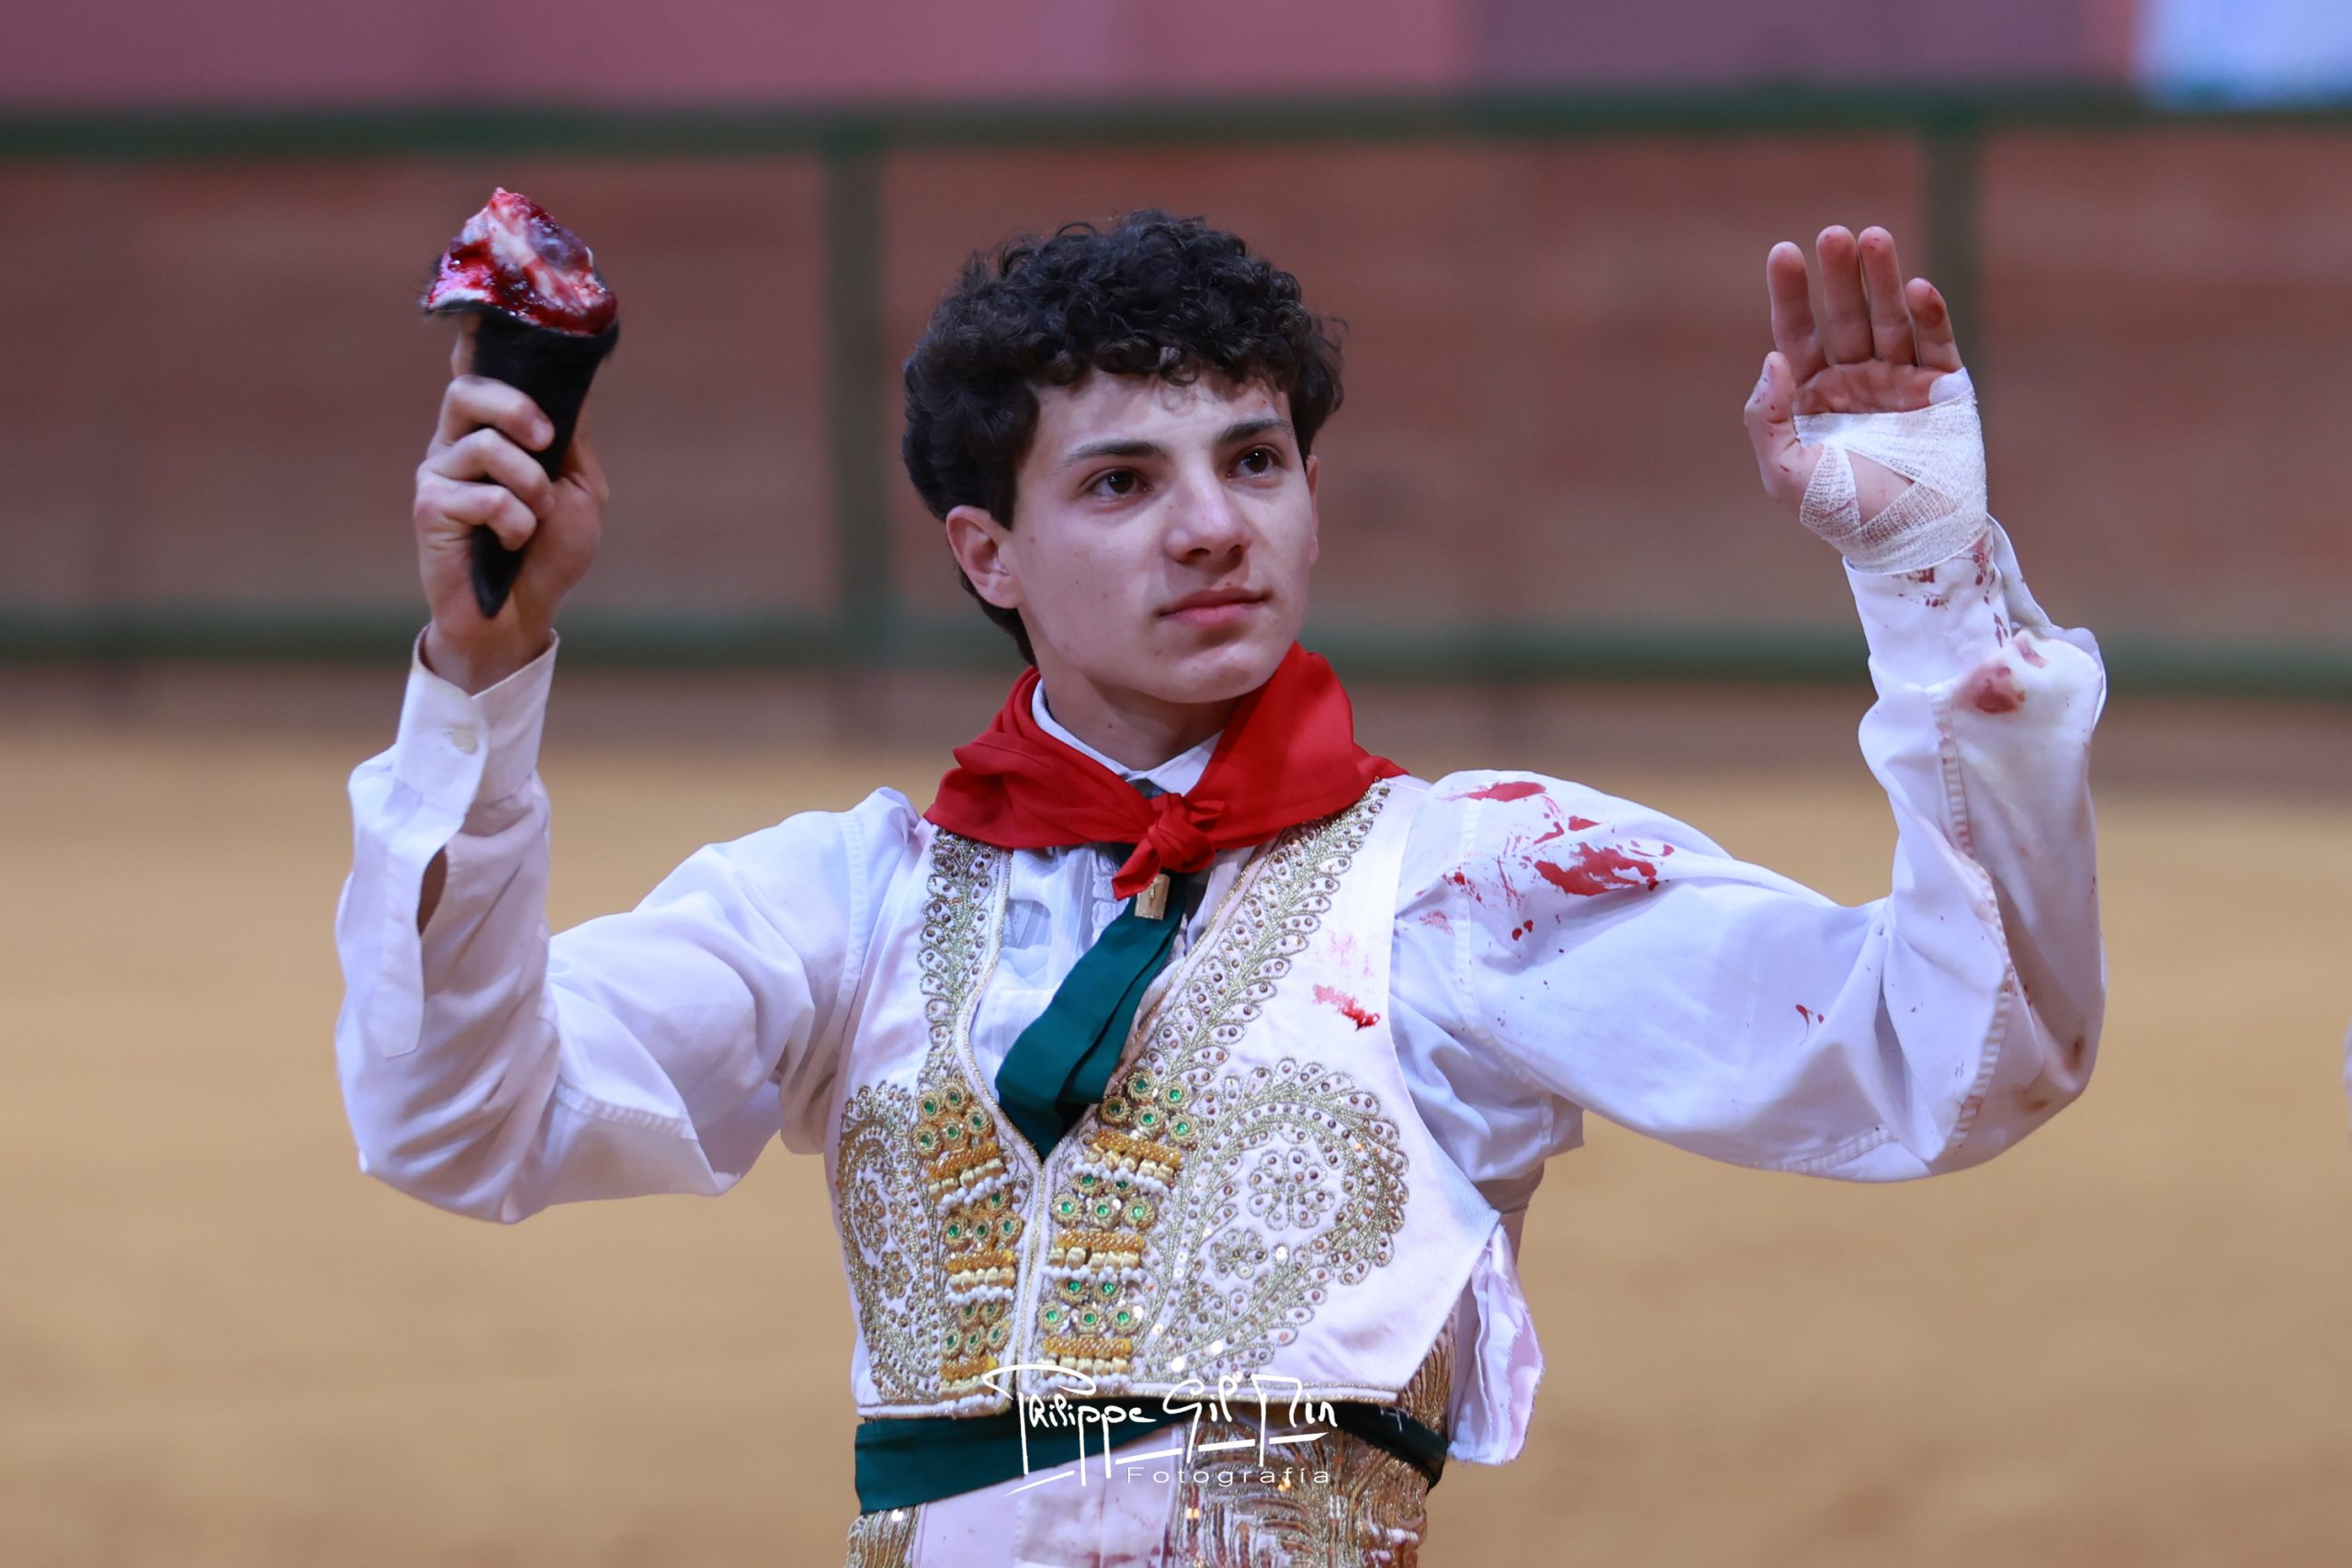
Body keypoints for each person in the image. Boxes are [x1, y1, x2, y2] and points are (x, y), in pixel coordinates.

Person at [334, 211, 2106, 1567]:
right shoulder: (850, 899)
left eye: (1252, 461)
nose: (1211, 526)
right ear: (989, 554)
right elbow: (461, 1121)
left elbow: (1952, 1057)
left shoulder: (1466, 878)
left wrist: (1927, 576)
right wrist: (478, 680)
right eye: (1122, 481)